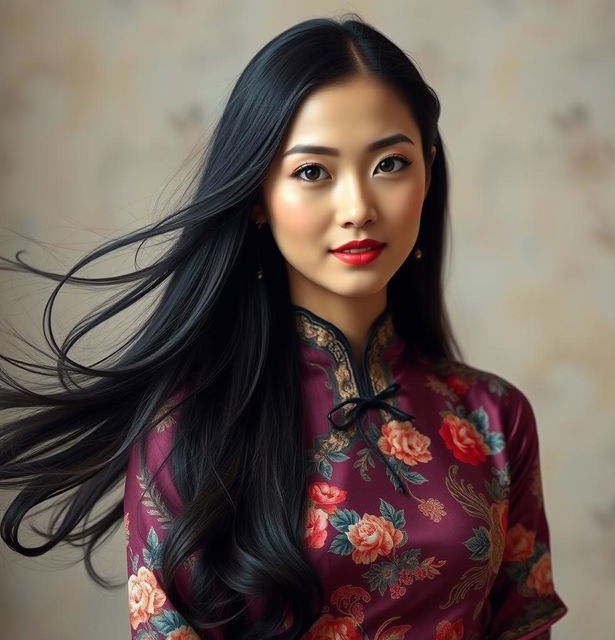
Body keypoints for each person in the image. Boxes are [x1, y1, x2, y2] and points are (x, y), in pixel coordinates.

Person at [0, 14, 568, 640]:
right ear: (256, 196)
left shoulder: (492, 416)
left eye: (389, 164)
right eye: (312, 172)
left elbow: (524, 625)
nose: (358, 207)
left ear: (427, 173)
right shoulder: (188, 427)